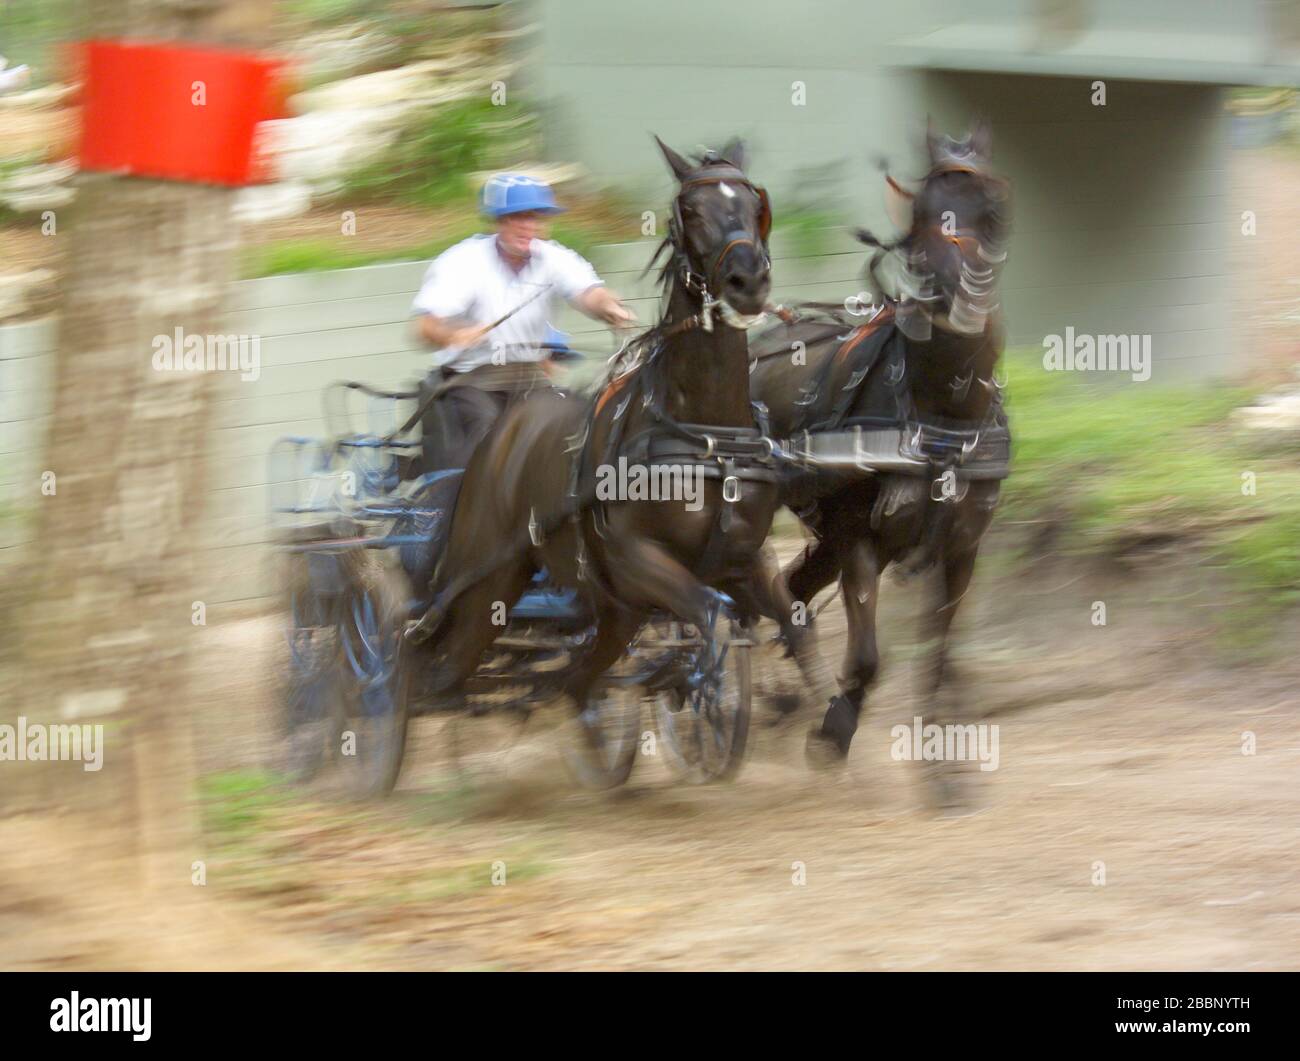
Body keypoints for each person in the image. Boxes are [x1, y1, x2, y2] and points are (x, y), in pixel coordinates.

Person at [411, 173, 635, 473]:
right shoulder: (463, 262)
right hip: (473, 381)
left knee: (574, 424)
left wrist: (607, 306)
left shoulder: (555, 258)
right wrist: (455, 334)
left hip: (530, 380)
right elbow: (425, 327)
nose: (529, 227)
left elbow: (587, 292)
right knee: (492, 438)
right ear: (497, 222)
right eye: (518, 217)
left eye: (537, 218)